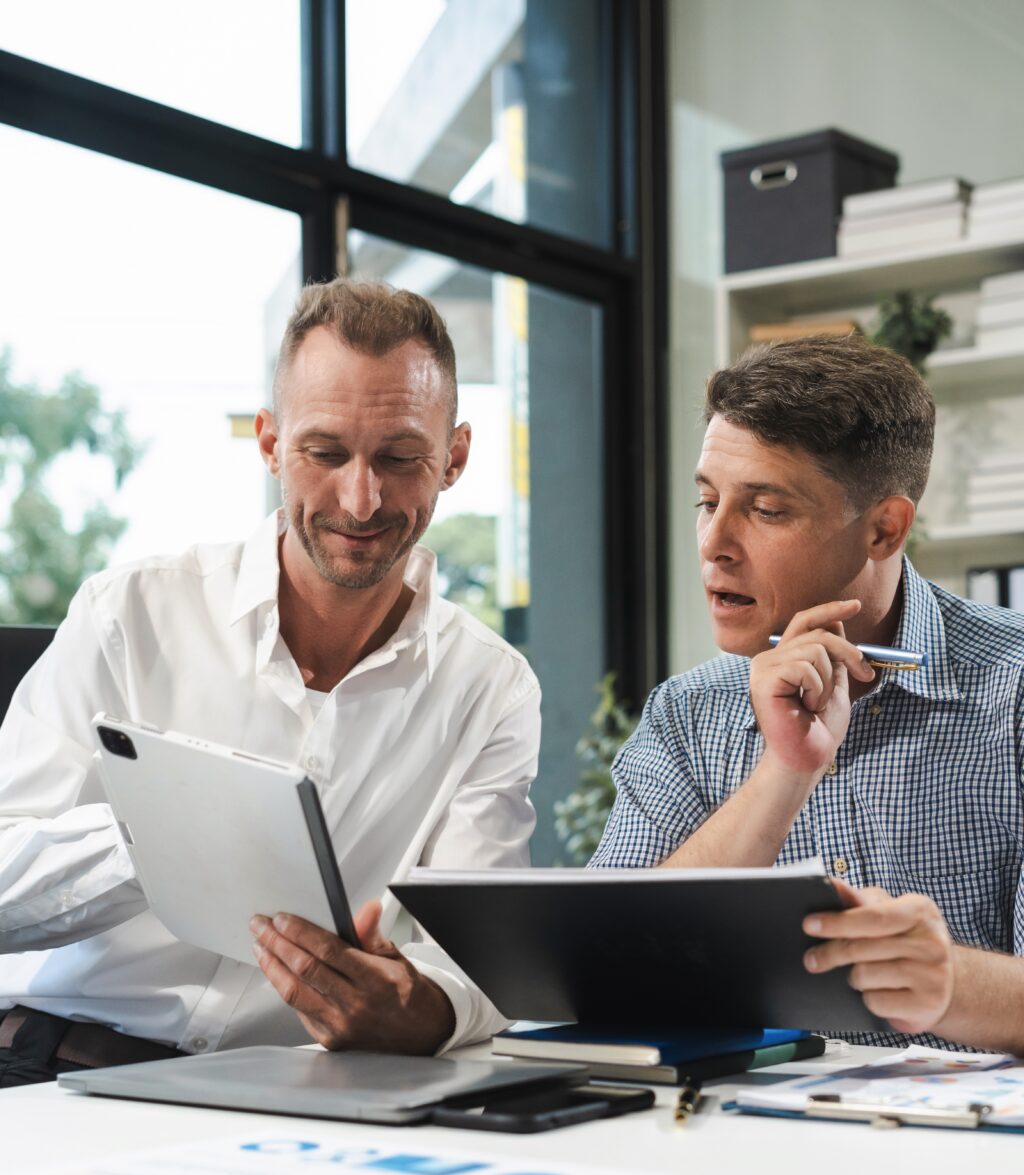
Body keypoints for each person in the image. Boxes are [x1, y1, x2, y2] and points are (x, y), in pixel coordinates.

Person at [0, 279, 540, 1085]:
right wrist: (162, 833)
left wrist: (420, 1009)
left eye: (399, 457)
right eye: (325, 454)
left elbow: (484, 957)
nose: (362, 499)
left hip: (291, 1101)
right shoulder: (129, 613)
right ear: (268, 444)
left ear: (454, 458)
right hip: (52, 1072)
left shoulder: (491, 687)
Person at [593, 334, 1024, 1054]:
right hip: (750, 1141)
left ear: (884, 529)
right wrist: (784, 772)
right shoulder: (687, 713)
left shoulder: (1012, 691)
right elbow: (607, 970)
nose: (714, 544)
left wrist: (947, 980)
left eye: (765, 510)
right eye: (707, 502)